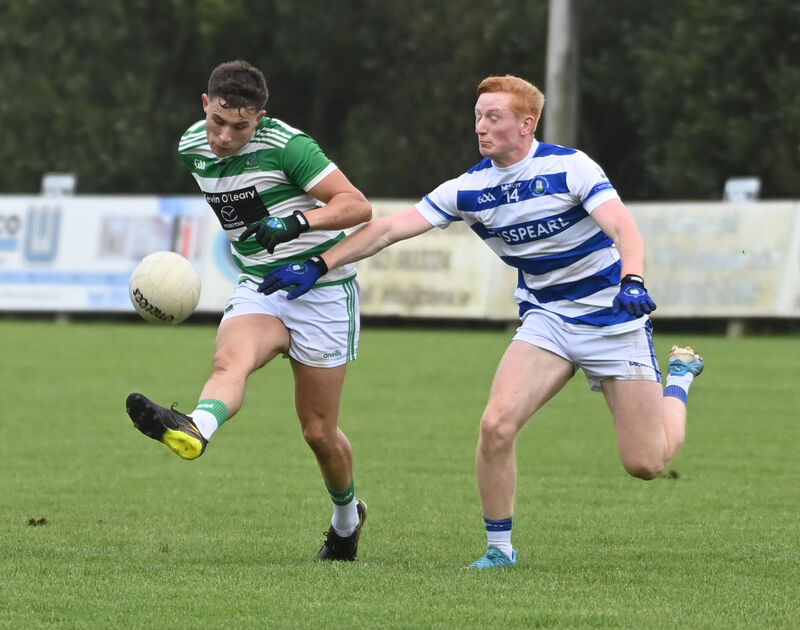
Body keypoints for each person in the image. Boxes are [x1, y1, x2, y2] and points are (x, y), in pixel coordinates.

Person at [257, 74, 705, 569]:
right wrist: (320, 264)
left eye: (493, 117)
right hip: (548, 321)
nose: (481, 128)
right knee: (495, 425)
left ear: (526, 124)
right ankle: (499, 551)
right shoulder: (470, 188)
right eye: (477, 118)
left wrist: (633, 280)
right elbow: (386, 229)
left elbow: (624, 227)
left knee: (645, 463)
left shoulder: (569, 167)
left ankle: (679, 381)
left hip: (613, 320)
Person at [125, 60, 371, 561]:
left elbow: (357, 206)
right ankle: (195, 427)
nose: (224, 136)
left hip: (322, 291)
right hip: (260, 286)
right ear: (205, 105)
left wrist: (296, 222)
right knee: (228, 363)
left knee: (318, 431)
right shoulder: (190, 146)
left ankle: (347, 520)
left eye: (240, 126)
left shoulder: (289, 147)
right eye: (218, 121)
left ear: (260, 117)